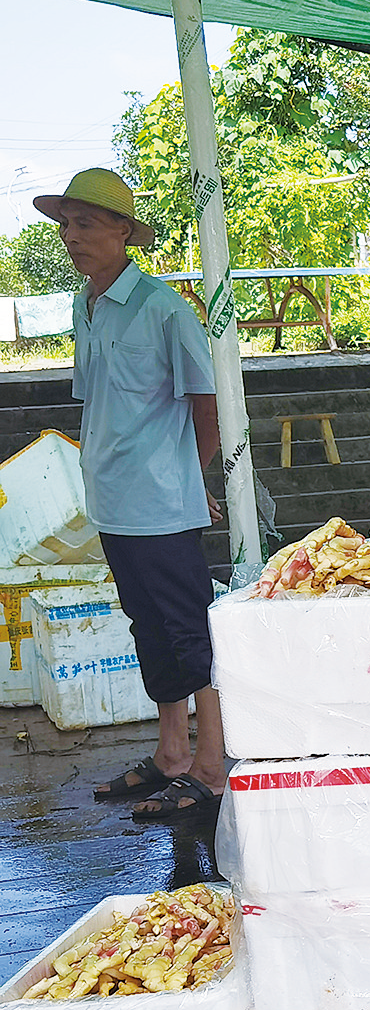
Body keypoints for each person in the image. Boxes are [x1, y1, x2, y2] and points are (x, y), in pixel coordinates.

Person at [35, 168, 225, 819]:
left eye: (86, 222)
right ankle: (172, 753)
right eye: (65, 223)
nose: (71, 235)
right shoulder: (83, 306)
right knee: (148, 628)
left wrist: (194, 482)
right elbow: (96, 405)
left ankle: (213, 763)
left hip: (163, 505)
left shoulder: (164, 309)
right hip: (113, 500)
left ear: (124, 231)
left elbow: (207, 402)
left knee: (191, 633)